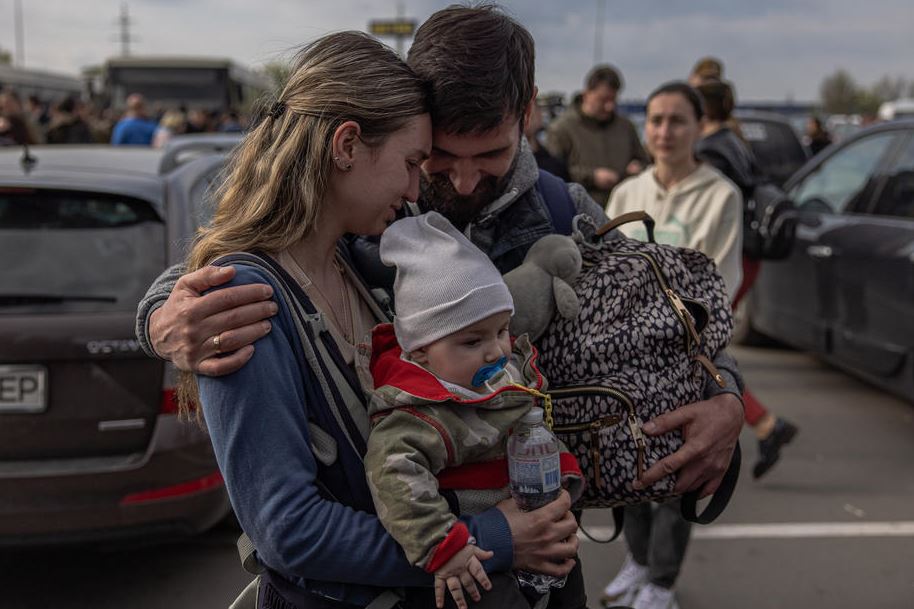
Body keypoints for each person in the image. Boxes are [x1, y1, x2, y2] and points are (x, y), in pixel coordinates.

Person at [136, 6, 746, 608]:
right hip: (437, 554)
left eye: (489, 157)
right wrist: (165, 317)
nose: (457, 181)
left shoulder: (564, 214)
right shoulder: (364, 209)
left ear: (527, 111)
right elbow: (242, 259)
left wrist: (727, 394)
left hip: (531, 553)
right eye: (436, 160)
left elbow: (666, 325)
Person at [168, 30, 580, 609]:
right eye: (412, 162)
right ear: (346, 145)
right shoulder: (244, 298)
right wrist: (495, 539)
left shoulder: (352, 257)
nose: (419, 188)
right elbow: (287, 532)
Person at [365, 212, 584, 609]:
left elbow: (535, 424)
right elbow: (393, 477)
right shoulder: (418, 412)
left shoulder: (504, 377)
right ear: (421, 352)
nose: (496, 351)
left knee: (571, 588)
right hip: (472, 557)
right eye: (472, 341)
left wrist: (563, 478)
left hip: (534, 521)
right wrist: (444, 549)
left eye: (501, 331)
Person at [602, 82, 742, 609]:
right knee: (630, 469)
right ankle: (637, 562)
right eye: (656, 119)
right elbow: (608, 278)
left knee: (678, 477)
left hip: (689, 362)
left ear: (698, 126)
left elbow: (719, 286)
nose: (664, 131)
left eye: (677, 120)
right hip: (628, 364)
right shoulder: (627, 193)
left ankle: (662, 583)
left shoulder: (720, 195)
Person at [693, 79, 800, 480]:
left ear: (700, 111)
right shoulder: (735, 141)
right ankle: (766, 425)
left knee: (703, 349)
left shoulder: (711, 151)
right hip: (749, 254)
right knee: (709, 349)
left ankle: (761, 423)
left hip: (730, 256)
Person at [546, 65, 649, 205]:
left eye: (613, 99)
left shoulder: (626, 127)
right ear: (587, 94)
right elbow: (551, 176)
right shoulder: (560, 129)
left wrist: (638, 167)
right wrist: (591, 177)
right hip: (579, 213)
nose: (609, 106)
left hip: (623, 210)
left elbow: (644, 160)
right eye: (603, 100)